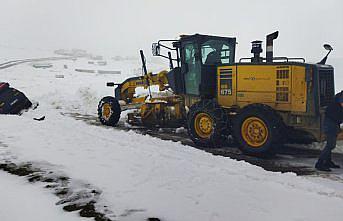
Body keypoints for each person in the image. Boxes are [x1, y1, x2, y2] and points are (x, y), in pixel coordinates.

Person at [315, 91, 343, 171]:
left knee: (330, 143)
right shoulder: (341, 96)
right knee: (331, 144)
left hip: (334, 122)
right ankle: (319, 163)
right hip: (331, 123)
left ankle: (327, 161)